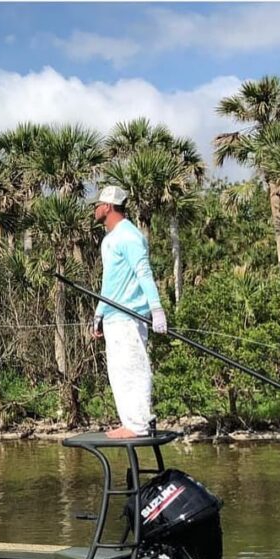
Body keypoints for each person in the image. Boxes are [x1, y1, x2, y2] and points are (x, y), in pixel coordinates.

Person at [91, 185, 168, 439]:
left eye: (98, 204)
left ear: (108, 207)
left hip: (129, 316)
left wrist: (156, 309)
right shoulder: (109, 239)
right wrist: (99, 314)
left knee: (133, 367)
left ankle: (138, 424)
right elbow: (109, 283)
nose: (95, 209)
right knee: (118, 370)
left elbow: (144, 272)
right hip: (113, 317)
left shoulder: (129, 236)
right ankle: (129, 422)